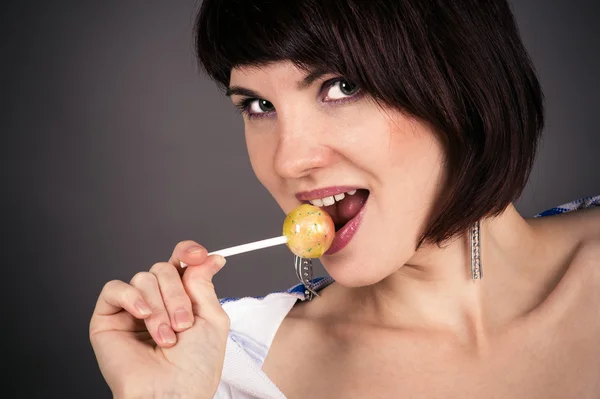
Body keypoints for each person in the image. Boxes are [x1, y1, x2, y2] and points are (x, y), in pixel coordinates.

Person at [89, 0, 600, 397]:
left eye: (341, 86)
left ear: (463, 81)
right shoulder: (222, 367)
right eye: (259, 105)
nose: (288, 161)